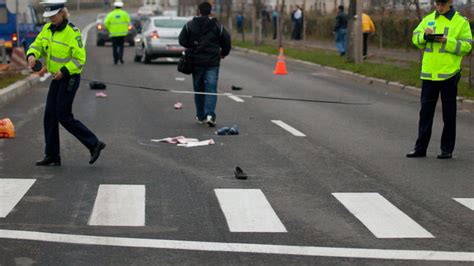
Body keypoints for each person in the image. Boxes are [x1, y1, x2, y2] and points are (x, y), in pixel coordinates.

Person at [26, 0, 106, 166]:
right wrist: (32, 56)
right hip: (56, 77)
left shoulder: (72, 32)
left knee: (63, 115)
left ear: (62, 13)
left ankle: (94, 143)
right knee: (49, 115)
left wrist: (64, 71)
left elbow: (79, 59)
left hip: (69, 78)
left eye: (53, 16)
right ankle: (52, 155)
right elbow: (37, 44)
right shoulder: (47, 29)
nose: (51, 19)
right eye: (48, 16)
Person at [407, 0, 471, 159]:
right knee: (425, 114)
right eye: (437, 4)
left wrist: (446, 41)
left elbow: (467, 46)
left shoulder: (461, 22)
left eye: (442, 4)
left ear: (450, 2)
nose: (439, 7)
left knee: (449, 114)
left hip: (449, 74)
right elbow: (415, 39)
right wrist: (424, 36)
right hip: (429, 74)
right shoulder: (428, 19)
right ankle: (420, 148)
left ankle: (446, 150)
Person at [178, 2, 231, 127]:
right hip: (212, 62)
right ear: (210, 11)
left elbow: (182, 40)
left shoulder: (189, 25)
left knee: (199, 89)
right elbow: (226, 40)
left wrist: (192, 46)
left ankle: (200, 115)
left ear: (199, 11)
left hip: (196, 62)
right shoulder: (217, 25)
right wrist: (223, 53)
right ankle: (210, 115)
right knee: (211, 89)